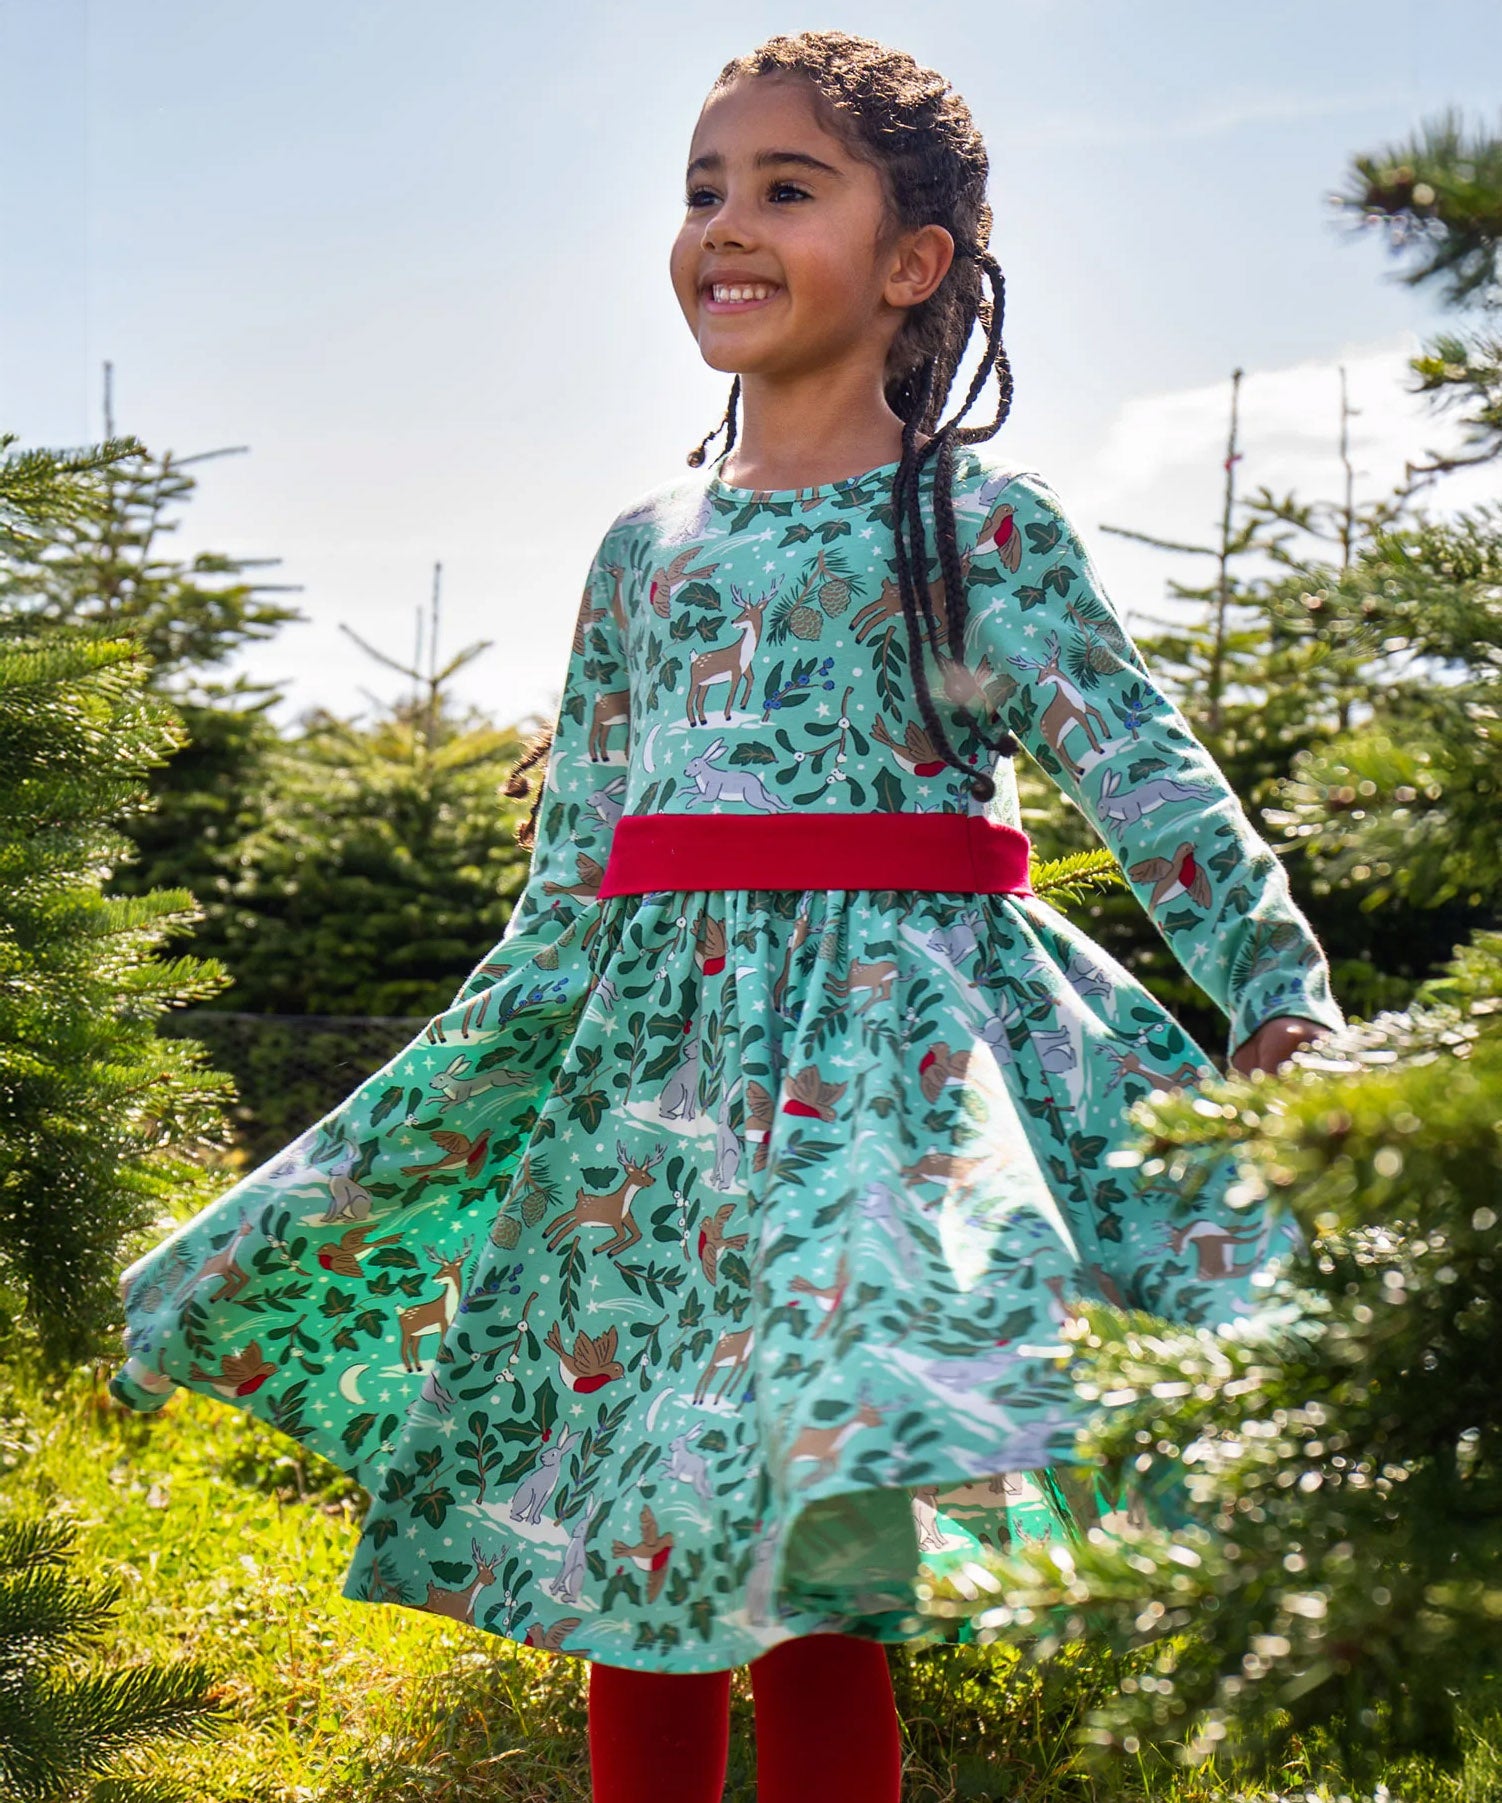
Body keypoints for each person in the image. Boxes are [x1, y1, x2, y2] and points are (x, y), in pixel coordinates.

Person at [107, 29, 1347, 1803]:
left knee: (812, 1526)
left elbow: (1145, 781)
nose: (724, 226)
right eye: (701, 190)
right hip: (652, 1099)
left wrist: (1276, 996)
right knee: (646, 1532)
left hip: (886, 1098)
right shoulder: (644, 550)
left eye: (784, 187)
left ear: (913, 263)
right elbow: (574, 876)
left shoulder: (974, 527)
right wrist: (468, 1081)